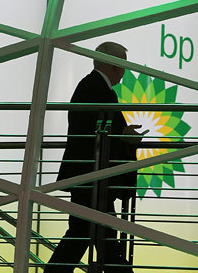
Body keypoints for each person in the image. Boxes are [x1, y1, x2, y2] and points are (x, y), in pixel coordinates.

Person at [45, 41, 144, 273]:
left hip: (89, 174)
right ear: (115, 66)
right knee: (95, 234)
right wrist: (124, 135)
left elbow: (92, 127)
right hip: (93, 175)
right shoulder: (98, 89)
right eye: (123, 65)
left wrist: (121, 132)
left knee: (88, 233)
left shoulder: (90, 86)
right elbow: (97, 129)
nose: (124, 71)